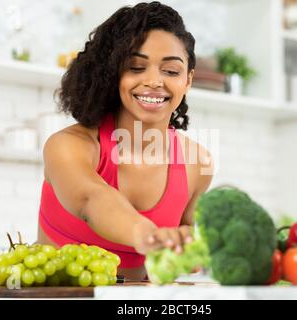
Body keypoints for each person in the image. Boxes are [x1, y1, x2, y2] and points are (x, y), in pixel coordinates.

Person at [37, 1, 213, 280]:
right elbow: (92, 199)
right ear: (113, 73)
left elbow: (188, 229)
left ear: (188, 79)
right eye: (136, 67)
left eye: (170, 71)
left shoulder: (197, 163)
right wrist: (149, 235)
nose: (154, 81)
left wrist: (187, 244)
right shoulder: (69, 146)